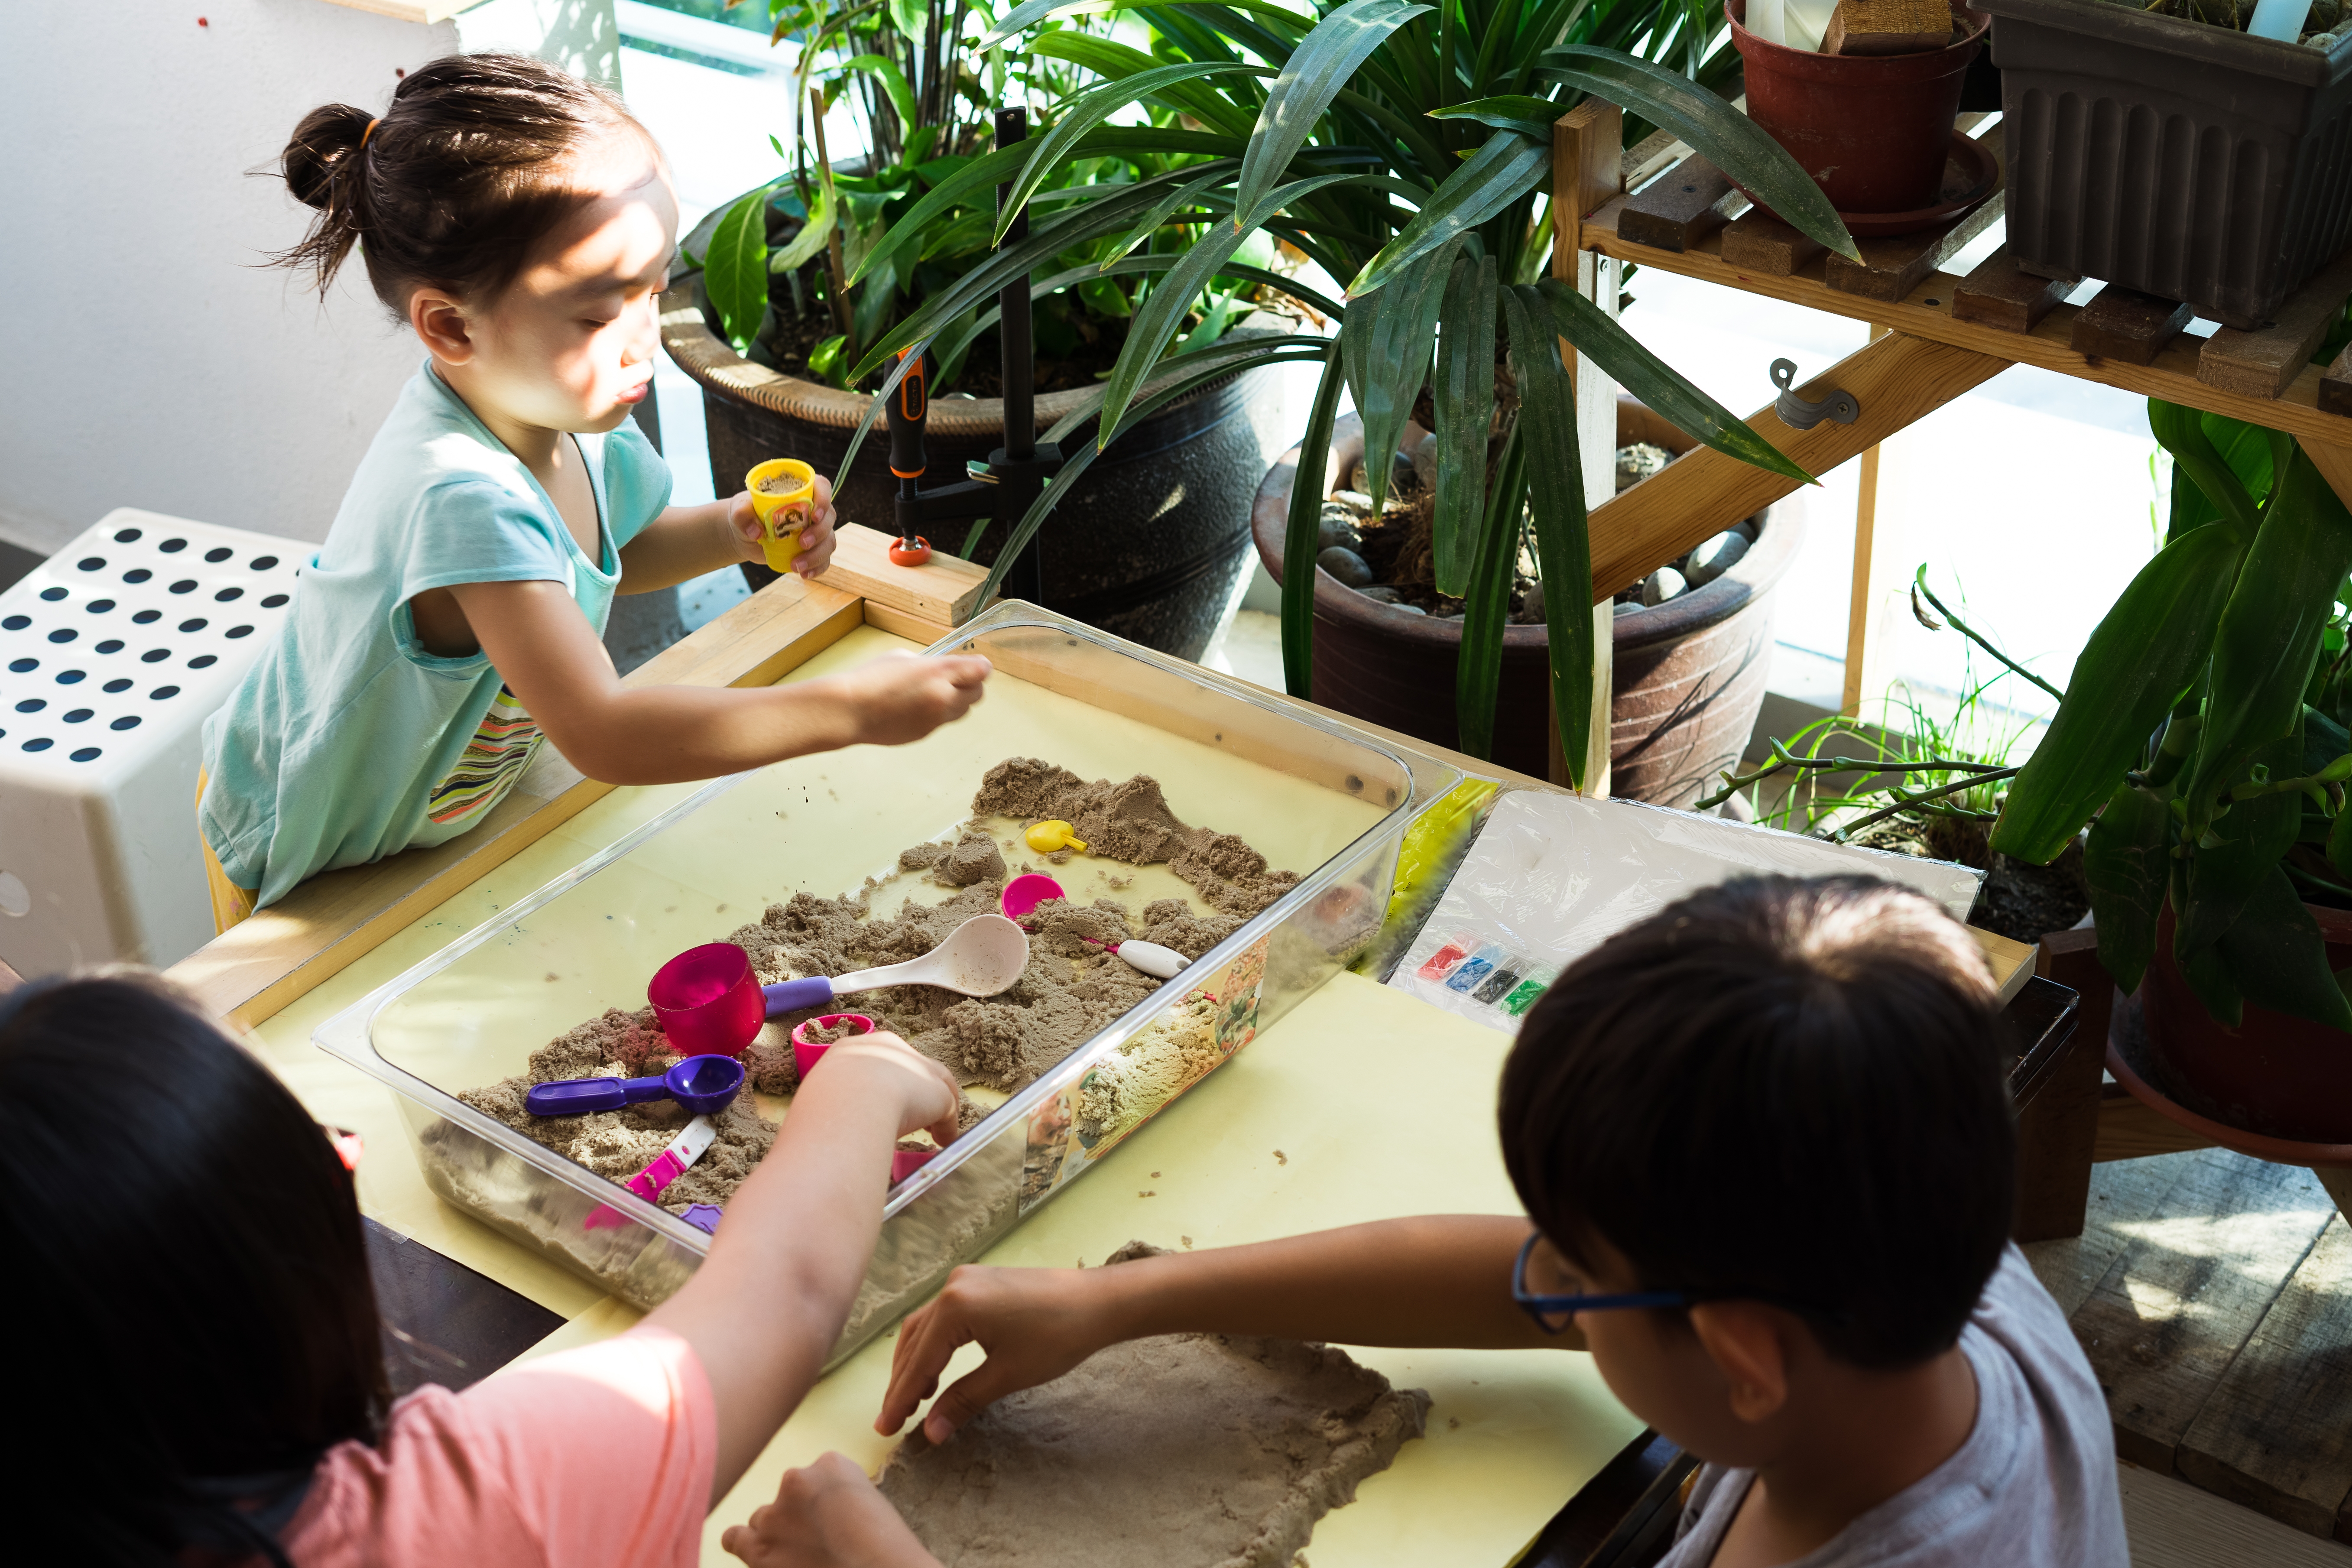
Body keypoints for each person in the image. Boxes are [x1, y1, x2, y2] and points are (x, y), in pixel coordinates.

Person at [721, 875, 2130, 1568]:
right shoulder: (1920, 1256)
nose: (1546, 1287)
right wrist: (1131, 1298)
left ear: (1742, 1357)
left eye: (1584, 1274)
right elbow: (1512, 1291)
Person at [201, 55, 987, 928]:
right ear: (452, 326)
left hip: (435, 818)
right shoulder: (460, 497)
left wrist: (731, 532)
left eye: (649, 293)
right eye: (596, 314)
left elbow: (618, 550)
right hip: (311, 838)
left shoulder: (569, 413)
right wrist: (843, 711)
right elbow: (603, 732)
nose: (640, 340)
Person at [0, 968, 962, 1565]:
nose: (352, 1146)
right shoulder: (467, 1513)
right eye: (327, 1153)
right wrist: (861, 1080)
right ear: (276, 1293)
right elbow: (786, 1286)